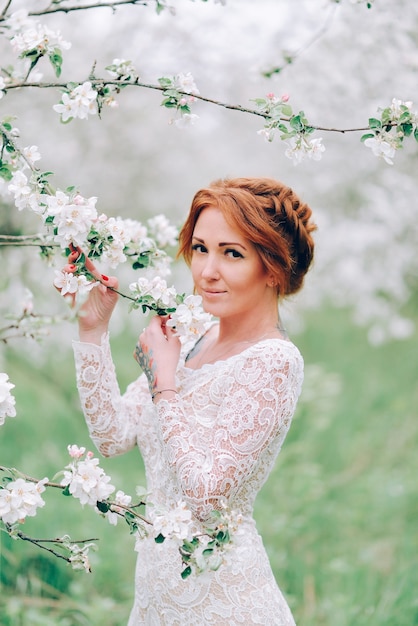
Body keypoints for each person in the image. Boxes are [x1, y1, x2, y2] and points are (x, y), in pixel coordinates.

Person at [64, 177, 316, 625]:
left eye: (231, 253)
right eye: (200, 248)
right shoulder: (191, 338)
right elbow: (112, 435)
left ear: (273, 268)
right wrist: (92, 329)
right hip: (156, 604)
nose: (206, 271)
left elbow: (207, 501)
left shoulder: (273, 361)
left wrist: (165, 384)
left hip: (226, 605)